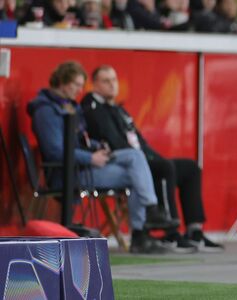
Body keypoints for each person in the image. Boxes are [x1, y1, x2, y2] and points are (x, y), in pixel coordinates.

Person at [27, 61, 174, 254]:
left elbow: (80, 140)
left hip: (83, 166)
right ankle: (141, 230)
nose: (80, 90)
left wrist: (98, 147)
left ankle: (149, 214)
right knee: (136, 176)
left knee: (135, 157)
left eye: (81, 85)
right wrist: (91, 158)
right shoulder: (46, 111)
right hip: (70, 173)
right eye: (76, 85)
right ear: (62, 83)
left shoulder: (69, 106)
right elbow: (55, 151)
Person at [81, 65, 224, 253]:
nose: (112, 85)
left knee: (189, 168)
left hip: (139, 157)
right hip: (118, 161)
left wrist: (153, 157)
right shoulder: (92, 107)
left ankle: (194, 230)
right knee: (163, 167)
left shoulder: (119, 110)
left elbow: (140, 141)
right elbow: (113, 141)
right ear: (95, 84)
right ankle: (170, 231)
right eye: (106, 81)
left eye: (114, 80)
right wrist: (149, 160)